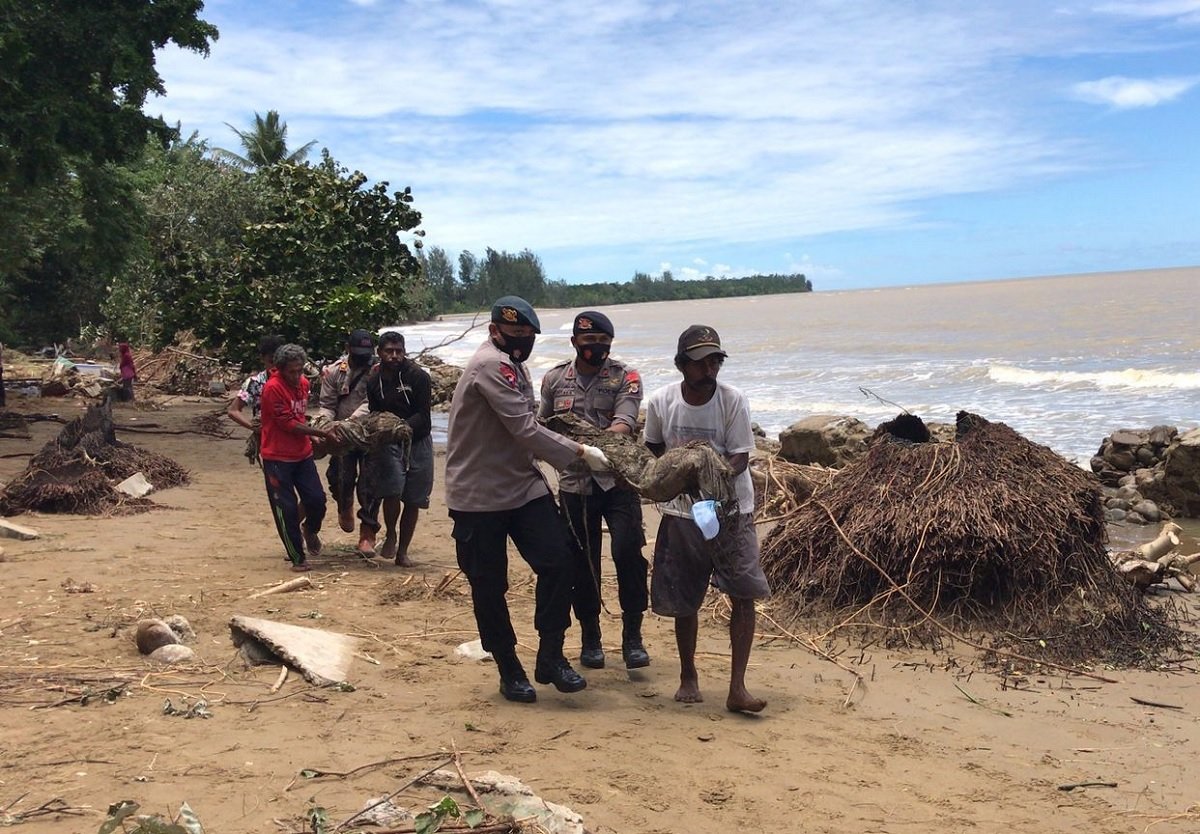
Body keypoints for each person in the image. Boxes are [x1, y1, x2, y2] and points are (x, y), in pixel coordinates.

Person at [445, 295, 612, 704]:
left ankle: (550, 655)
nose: (522, 342)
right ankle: (508, 667)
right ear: (494, 332)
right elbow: (524, 428)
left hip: (521, 485)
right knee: (489, 585)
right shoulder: (490, 365)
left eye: (528, 335)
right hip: (478, 493)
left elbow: (528, 427)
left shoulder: (514, 365)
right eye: (515, 334)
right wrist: (579, 453)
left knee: (559, 562)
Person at [643, 324, 770, 713]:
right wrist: (671, 479)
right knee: (685, 597)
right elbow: (651, 449)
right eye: (700, 362)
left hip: (732, 512)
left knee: (744, 593)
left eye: (715, 360)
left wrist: (705, 476)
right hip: (681, 513)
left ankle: (737, 688)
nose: (710, 369)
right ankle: (688, 676)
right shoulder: (662, 402)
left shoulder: (733, 401)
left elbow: (740, 458)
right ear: (682, 364)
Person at [539, 310, 650, 670]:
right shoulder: (555, 380)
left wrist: (593, 446)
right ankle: (591, 637)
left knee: (628, 553)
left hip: (618, 482)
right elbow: (543, 428)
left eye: (603, 343)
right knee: (582, 564)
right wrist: (574, 454)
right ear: (575, 343)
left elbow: (625, 422)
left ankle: (633, 636)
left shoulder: (625, 377)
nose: (596, 349)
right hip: (575, 485)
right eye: (589, 343)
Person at [352, 330, 432, 566]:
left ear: (404, 352)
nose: (394, 356)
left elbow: (424, 416)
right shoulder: (374, 380)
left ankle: (403, 550)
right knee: (392, 492)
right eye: (389, 351)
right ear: (380, 353)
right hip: (389, 443)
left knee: (415, 499)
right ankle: (391, 534)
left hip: (419, 441)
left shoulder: (418, 376)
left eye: (399, 351)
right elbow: (375, 412)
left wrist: (402, 427)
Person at [260, 343, 338, 572]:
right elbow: (287, 423)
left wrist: (312, 438)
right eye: (291, 372)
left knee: (317, 500)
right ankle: (297, 557)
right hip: (277, 457)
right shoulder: (272, 388)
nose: (296, 376)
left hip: (302, 454)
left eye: (299, 370)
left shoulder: (303, 384)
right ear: (281, 369)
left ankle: (310, 529)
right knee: (286, 509)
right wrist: (321, 433)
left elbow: (299, 415)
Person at [318, 329, 377, 541]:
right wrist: (325, 425)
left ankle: (368, 532)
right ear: (348, 349)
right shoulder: (335, 371)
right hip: (340, 434)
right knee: (340, 477)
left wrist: (350, 423)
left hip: (369, 433)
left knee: (370, 483)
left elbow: (371, 402)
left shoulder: (377, 370)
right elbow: (326, 404)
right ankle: (345, 505)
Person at [228, 334, 285, 435]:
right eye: (271, 361)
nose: (276, 366)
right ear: (262, 359)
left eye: (280, 362)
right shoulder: (255, 383)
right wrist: (256, 429)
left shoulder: (292, 380)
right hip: (266, 437)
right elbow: (233, 411)